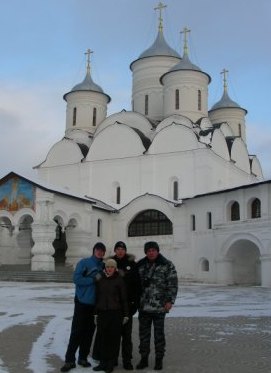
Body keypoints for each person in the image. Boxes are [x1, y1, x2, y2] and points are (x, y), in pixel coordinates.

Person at [60, 242, 106, 372]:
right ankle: (69, 360)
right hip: (82, 302)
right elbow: (76, 279)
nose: (100, 252)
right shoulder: (84, 263)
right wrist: (93, 280)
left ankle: (83, 358)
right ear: (94, 251)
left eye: (102, 251)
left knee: (89, 332)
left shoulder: (103, 266)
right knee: (77, 332)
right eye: (98, 250)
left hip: (95, 305)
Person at [136, 241, 178, 371]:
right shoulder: (140, 265)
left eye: (153, 250)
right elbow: (134, 284)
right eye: (148, 250)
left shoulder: (167, 265)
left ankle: (159, 359)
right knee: (143, 335)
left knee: (159, 335)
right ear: (146, 252)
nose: (151, 252)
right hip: (143, 307)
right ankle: (144, 359)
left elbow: (172, 283)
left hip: (160, 307)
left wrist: (170, 301)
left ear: (158, 251)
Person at [93, 258, 129, 373]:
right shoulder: (100, 279)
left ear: (115, 268)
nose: (109, 269)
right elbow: (97, 296)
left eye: (112, 267)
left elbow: (124, 299)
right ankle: (102, 362)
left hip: (115, 313)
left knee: (113, 339)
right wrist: (95, 313)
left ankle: (111, 363)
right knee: (102, 338)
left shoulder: (119, 280)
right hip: (103, 312)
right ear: (105, 268)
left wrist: (126, 315)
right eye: (108, 267)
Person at [111, 241, 140, 370]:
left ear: (125, 250)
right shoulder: (109, 264)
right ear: (115, 251)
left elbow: (137, 285)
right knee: (114, 335)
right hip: (113, 306)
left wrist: (135, 305)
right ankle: (112, 359)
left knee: (127, 336)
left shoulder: (132, 264)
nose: (120, 251)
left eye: (122, 249)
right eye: (118, 249)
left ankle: (127, 360)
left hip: (127, 306)